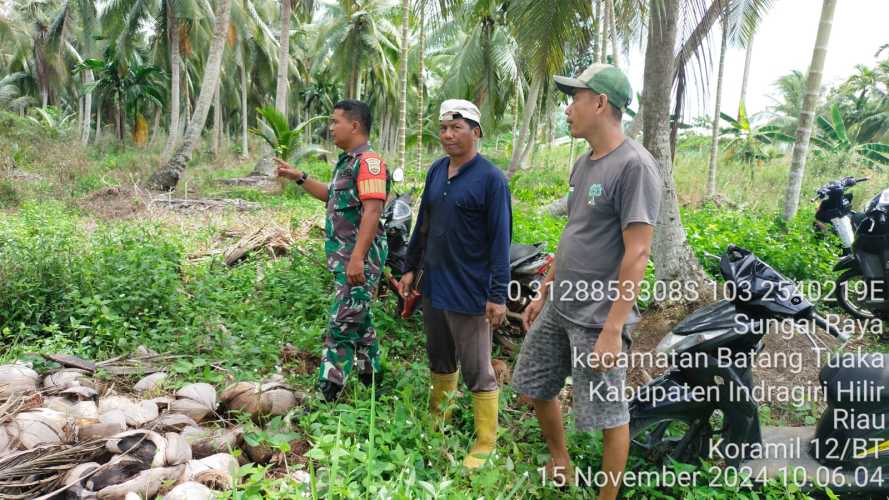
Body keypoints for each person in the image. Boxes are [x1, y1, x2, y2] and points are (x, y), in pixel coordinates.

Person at [511, 64, 662, 497]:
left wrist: (613, 330)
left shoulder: (635, 166)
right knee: (536, 384)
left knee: (610, 414)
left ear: (599, 103)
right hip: (562, 303)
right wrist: (545, 290)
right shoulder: (583, 164)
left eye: (574, 98)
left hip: (599, 314)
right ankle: (561, 459)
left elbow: (638, 252)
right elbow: (574, 233)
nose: (567, 107)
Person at [397, 99, 512, 469]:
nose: (447, 134)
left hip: (471, 291)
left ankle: (485, 442)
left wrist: (497, 295)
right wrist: (410, 266)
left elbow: (500, 241)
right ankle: (439, 419)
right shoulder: (436, 171)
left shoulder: (491, 180)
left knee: (478, 368)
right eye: (444, 128)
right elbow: (423, 226)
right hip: (435, 285)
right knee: (440, 357)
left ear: (475, 132)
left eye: (456, 128)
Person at [275, 99, 390, 402]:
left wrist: (357, 258)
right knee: (359, 320)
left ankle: (327, 394)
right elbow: (332, 197)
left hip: (359, 260)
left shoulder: (370, 163)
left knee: (341, 323)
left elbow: (373, 210)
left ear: (354, 125)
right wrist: (299, 177)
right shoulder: (348, 161)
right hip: (346, 259)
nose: (331, 128)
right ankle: (372, 380)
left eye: (335, 121)